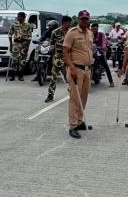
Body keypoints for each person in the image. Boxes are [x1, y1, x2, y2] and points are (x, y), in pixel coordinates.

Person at [63, 10, 93, 139]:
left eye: (86, 19)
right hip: (76, 70)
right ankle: (73, 125)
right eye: (82, 19)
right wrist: (71, 67)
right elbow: (65, 52)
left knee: (84, 98)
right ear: (78, 20)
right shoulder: (72, 33)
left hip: (87, 70)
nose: (84, 21)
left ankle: (80, 121)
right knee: (75, 99)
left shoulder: (90, 33)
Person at [45, 16, 72, 103]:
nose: (70, 25)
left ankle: (72, 94)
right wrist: (53, 56)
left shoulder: (71, 32)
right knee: (54, 77)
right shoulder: (55, 32)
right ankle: (50, 95)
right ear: (64, 23)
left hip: (69, 56)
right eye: (68, 23)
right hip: (58, 56)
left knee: (69, 77)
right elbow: (52, 45)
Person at [8, 12, 32, 81]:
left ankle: (21, 75)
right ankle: (12, 75)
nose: (18, 18)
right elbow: (10, 34)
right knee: (14, 60)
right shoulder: (14, 24)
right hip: (16, 43)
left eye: (19, 17)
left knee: (22, 61)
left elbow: (29, 37)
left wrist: (27, 46)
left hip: (24, 44)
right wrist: (11, 44)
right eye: (18, 16)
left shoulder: (28, 25)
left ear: (23, 17)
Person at [91, 22, 115, 88]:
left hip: (100, 52)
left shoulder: (101, 34)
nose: (94, 31)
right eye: (92, 29)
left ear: (97, 29)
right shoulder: (89, 35)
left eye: (95, 29)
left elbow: (104, 41)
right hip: (91, 53)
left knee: (106, 66)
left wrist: (103, 46)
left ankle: (111, 81)